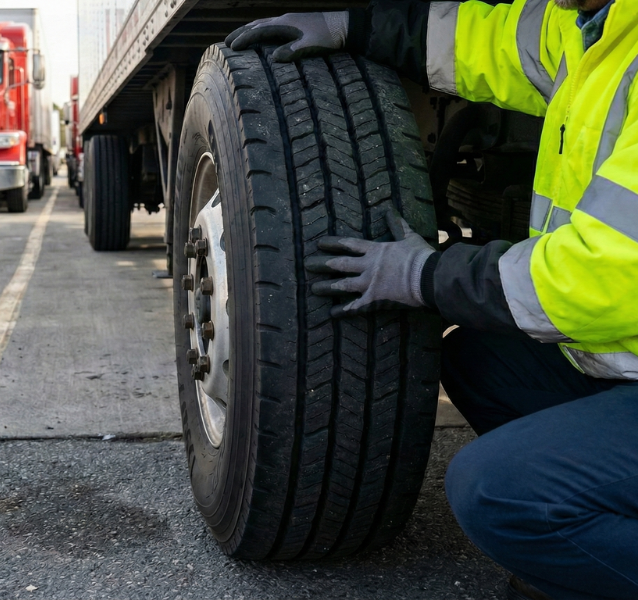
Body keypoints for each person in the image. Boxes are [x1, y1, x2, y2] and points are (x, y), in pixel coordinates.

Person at [227, 1, 638, 599]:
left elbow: (605, 275)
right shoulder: (596, 27)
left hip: (616, 295)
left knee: (494, 493)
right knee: (480, 358)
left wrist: (426, 275)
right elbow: (489, 42)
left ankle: (581, 545)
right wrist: (356, 26)